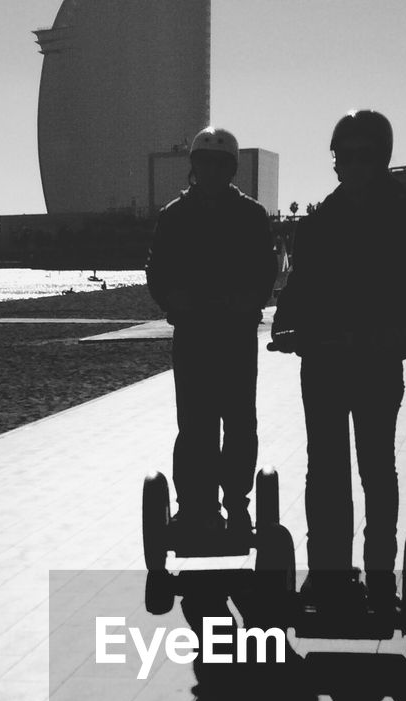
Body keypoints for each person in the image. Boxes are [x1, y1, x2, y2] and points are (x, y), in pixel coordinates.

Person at [269, 108, 406, 611]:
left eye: (364, 156)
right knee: (325, 470)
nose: (353, 165)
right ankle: (328, 574)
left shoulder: (403, 218)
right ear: (336, 162)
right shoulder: (320, 220)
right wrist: (284, 326)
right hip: (322, 362)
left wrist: (395, 332)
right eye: (345, 157)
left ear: (381, 159)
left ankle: (381, 574)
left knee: (376, 468)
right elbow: (297, 288)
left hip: (376, 363)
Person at [146, 126, 278, 538]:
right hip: (193, 335)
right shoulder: (174, 216)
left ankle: (236, 503)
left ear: (231, 169)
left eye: (220, 164)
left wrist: (250, 298)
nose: (211, 171)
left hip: (236, 335)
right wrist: (172, 300)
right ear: (194, 167)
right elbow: (157, 270)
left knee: (239, 423)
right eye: (205, 163)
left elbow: (266, 269)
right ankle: (193, 507)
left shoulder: (252, 216)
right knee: (195, 426)